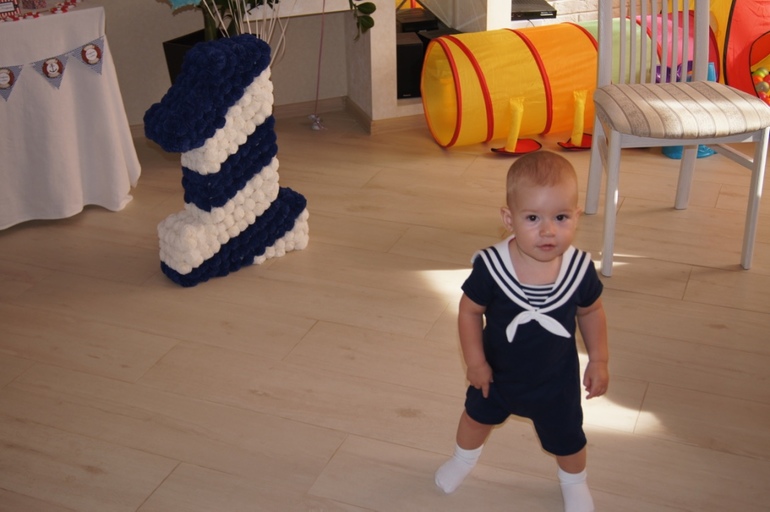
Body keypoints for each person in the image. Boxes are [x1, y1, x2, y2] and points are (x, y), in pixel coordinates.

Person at [435, 151, 609, 512]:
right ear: (508, 219)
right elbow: (469, 311)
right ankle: (462, 460)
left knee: (568, 439)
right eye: (532, 218)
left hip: (556, 380)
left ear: (577, 216)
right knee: (474, 419)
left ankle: (574, 482)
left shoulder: (579, 269)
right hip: (495, 375)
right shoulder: (491, 267)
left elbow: (591, 311)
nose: (548, 230)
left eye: (561, 217)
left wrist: (599, 359)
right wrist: (475, 362)